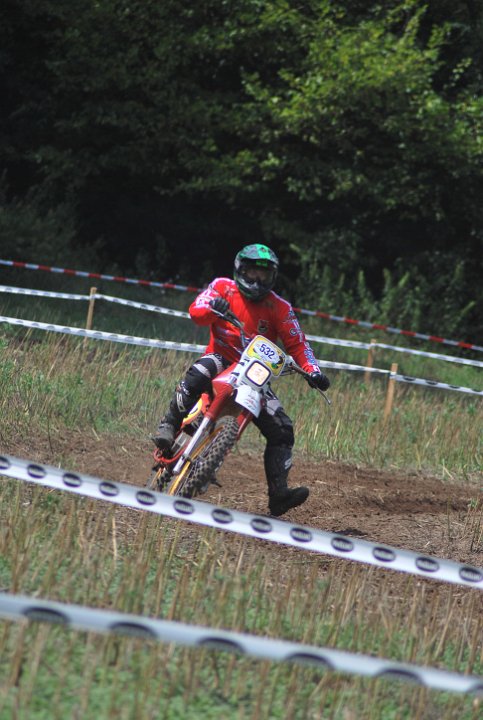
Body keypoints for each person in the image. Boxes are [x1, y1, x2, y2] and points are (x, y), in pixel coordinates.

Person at [152, 243, 330, 516]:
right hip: (221, 358)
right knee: (199, 372)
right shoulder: (222, 287)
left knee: (283, 429)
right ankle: (169, 425)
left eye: (264, 274)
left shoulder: (280, 307)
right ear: (240, 270)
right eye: (252, 272)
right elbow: (196, 310)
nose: (257, 279)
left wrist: (313, 370)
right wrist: (213, 308)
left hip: (256, 371)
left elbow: (298, 343)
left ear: (273, 276)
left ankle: (279, 494)